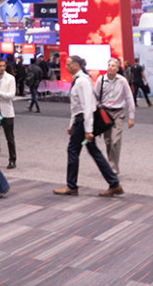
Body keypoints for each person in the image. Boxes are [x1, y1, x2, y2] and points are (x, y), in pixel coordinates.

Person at [53, 55, 123, 198]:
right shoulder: (79, 80)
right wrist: (71, 124)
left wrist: (88, 130)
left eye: (68, 64)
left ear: (76, 65)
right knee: (93, 151)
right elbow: (76, 106)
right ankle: (114, 183)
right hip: (80, 122)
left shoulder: (82, 81)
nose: (66, 66)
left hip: (83, 123)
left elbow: (87, 107)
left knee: (73, 150)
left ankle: (72, 186)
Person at [94, 58, 135, 175]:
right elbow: (95, 96)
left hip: (118, 113)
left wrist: (131, 117)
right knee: (108, 141)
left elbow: (129, 98)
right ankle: (111, 164)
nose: (110, 67)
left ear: (117, 69)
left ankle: (113, 168)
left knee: (115, 140)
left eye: (113, 66)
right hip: (105, 113)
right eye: (109, 65)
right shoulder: (101, 80)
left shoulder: (122, 81)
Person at [0, 59, 17, 168]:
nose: (2, 68)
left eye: (4, 66)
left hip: (7, 112)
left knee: (10, 138)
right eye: (0, 66)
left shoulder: (10, 78)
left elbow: (11, 95)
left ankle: (12, 160)